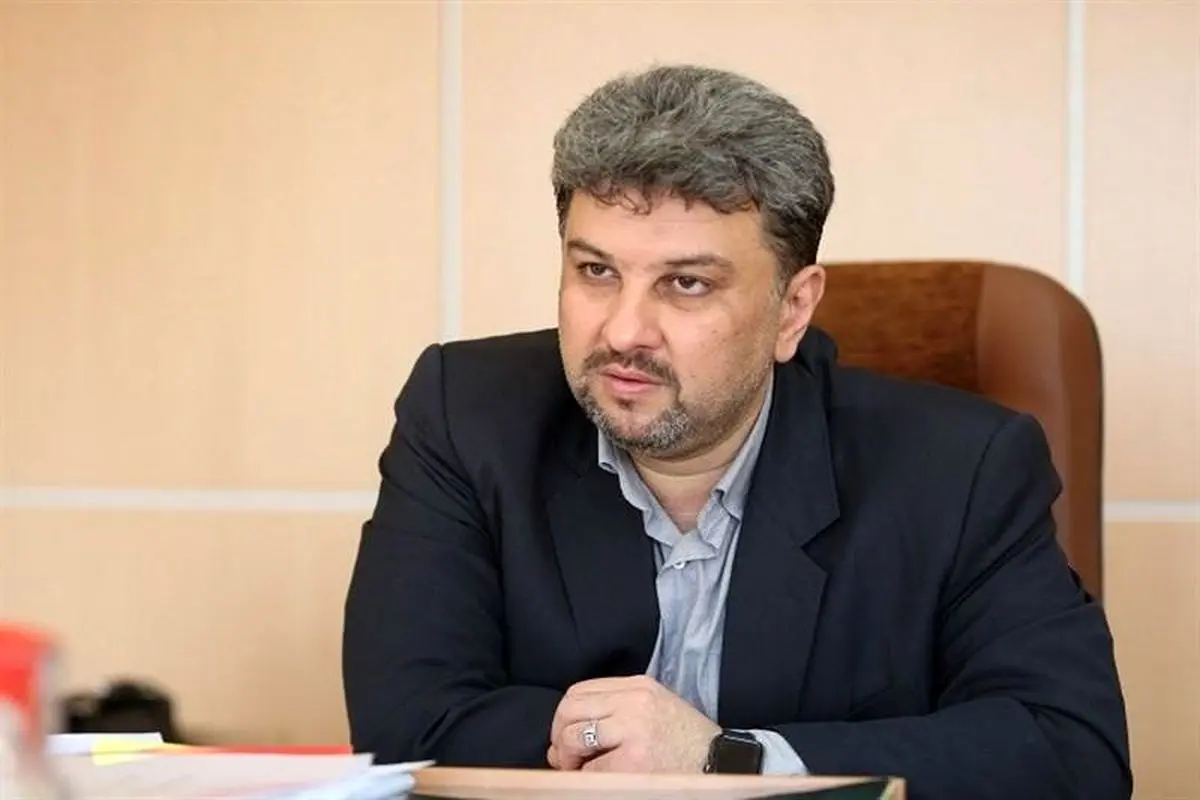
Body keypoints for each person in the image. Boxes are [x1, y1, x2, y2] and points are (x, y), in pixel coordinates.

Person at [341, 64, 1131, 799]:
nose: (624, 331)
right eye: (596, 272)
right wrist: (612, 746)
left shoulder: (961, 468)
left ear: (793, 308)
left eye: (686, 283)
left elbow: (1072, 753)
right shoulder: (468, 415)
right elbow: (406, 727)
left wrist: (727, 758)